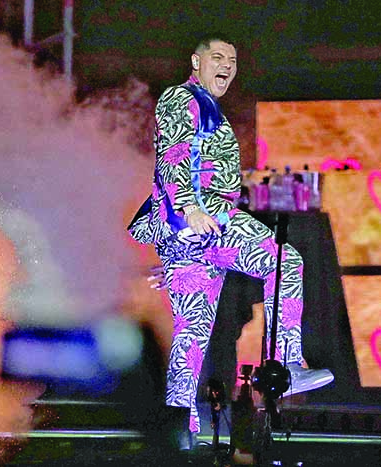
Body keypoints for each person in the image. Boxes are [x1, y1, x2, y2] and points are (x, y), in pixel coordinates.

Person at [127, 37, 334, 436]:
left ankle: (179, 424)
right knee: (285, 261)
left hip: (189, 233)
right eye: (217, 57)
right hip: (206, 218)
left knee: (191, 330)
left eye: (233, 60)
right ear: (196, 61)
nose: (226, 65)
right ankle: (287, 362)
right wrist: (189, 207)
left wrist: (181, 243)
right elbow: (173, 154)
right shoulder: (182, 98)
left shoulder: (206, 105)